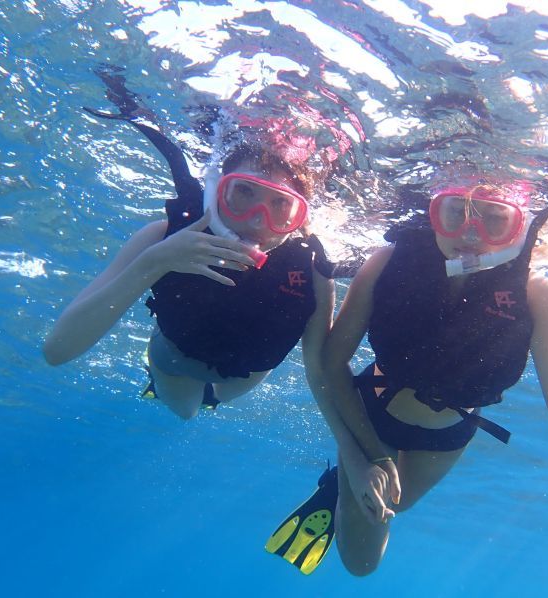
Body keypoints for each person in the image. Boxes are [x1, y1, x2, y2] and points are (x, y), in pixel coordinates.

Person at [311, 176, 548, 575]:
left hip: (449, 431)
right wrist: (366, 458)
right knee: (360, 563)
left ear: (518, 227)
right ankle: (347, 483)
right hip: (372, 412)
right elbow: (331, 365)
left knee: (392, 506)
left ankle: (342, 486)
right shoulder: (387, 262)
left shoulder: (535, 293)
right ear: (434, 214)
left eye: (493, 219)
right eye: (456, 213)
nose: (470, 232)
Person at [43, 76, 338, 420]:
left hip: (242, 377)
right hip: (173, 364)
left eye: (280, 206)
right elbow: (57, 351)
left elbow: (320, 373)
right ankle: (159, 380)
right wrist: (155, 262)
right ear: (215, 192)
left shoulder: (314, 269)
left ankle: (207, 397)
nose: (258, 221)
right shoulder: (163, 237)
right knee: (186, 412)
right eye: (243, 193)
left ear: (298, 219)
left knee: (210, 402)